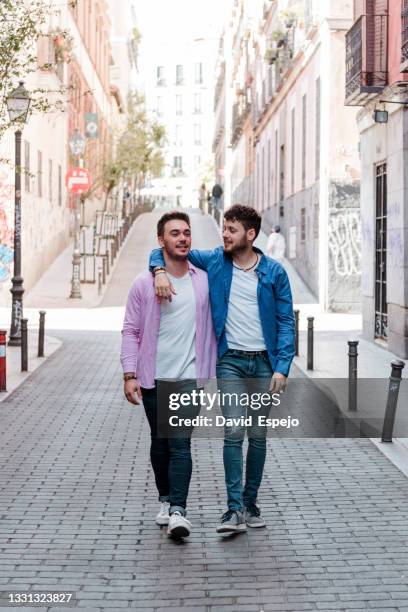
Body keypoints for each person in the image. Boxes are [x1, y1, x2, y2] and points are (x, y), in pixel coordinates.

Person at [149, 204, 295, 534]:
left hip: (264, 364)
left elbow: (287, 321)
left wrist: (282, 368)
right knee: (234, 431)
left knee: (257, 436)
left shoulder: (274, 273)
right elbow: (166, 252)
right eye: (223, 228)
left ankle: (249, 502)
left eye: (231, 230)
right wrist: (158, 270)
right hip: (230, 361)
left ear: (251, 234)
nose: (224, 235)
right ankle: (233, 511)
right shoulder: (216, 260)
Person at [121, 211, 216, 538]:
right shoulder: (142, 284)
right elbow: (131, 331)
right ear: (161, 240)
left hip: (189, 377)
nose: (183, 238)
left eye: (187, 233)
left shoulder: (203, 280)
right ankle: (165, 498)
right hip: (152, 377)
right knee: (159, 442)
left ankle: (178, 510)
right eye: (174, 233)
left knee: (179, 443)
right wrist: (129, 373)